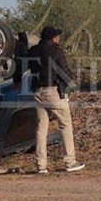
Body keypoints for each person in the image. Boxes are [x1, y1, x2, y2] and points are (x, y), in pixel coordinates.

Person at [26, 26, 84, 174]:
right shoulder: (56, 51)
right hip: (53, 92)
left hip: (38, 92)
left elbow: (24, 67)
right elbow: (65, 71)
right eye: (57, 36)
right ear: (53, 38)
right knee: (65, 125)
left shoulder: (33, 51)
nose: (59, 38)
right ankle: (70, 162)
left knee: (41, 129)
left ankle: (41, 165)